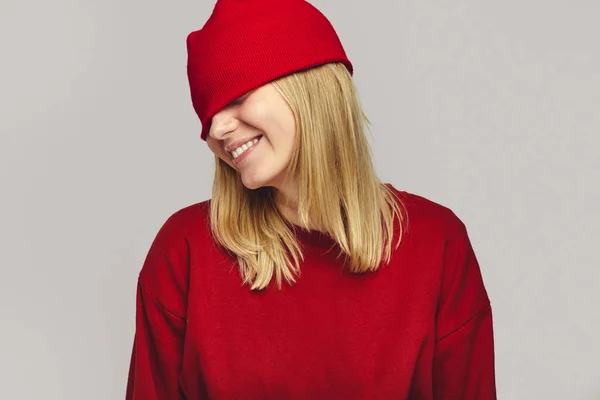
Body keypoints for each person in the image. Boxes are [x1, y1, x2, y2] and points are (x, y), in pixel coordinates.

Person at [125, 0, 497, 399]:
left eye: (234, 96)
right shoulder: (185, 252)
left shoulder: (436, 245)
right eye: (208, 110)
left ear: (308, 88)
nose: (215, 127)